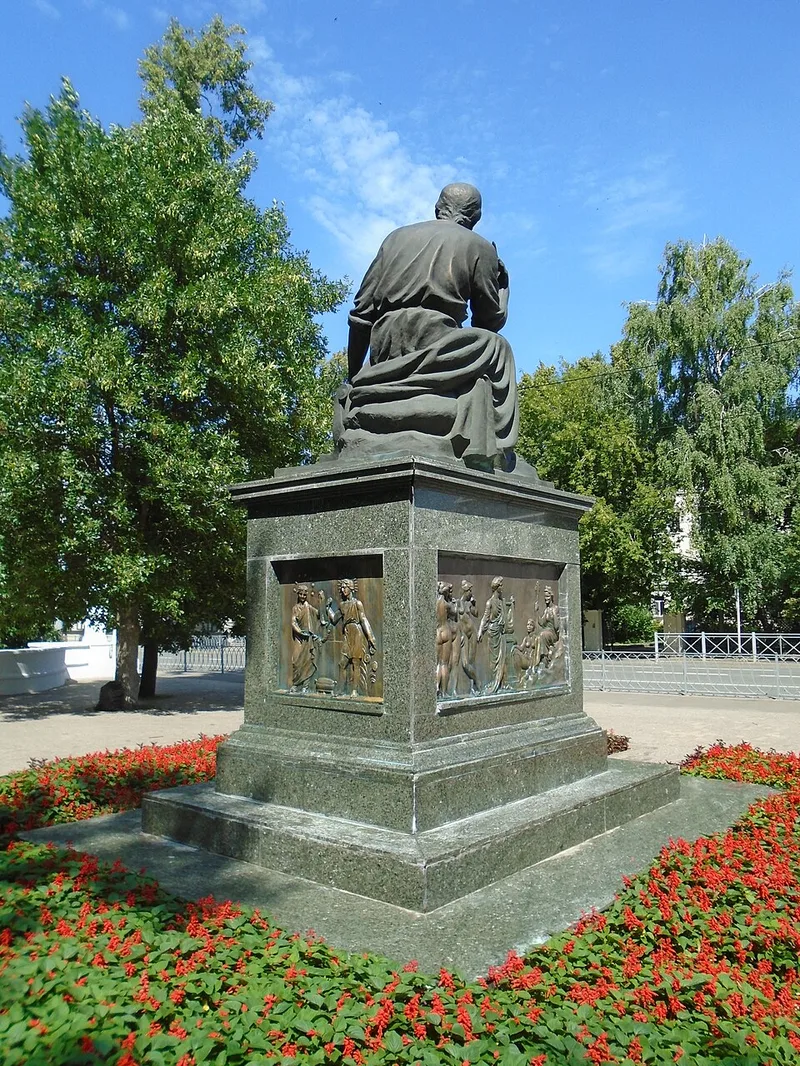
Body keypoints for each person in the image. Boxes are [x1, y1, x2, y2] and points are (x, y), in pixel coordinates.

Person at [333, 183, 531, 474]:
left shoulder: (394, 238)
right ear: (474, 218)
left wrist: (354, 378)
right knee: (498, 347)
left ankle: (384, 386)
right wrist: (503, 289)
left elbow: (361, 316)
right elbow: (488, 322)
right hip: (437, 340)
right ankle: (498, 450)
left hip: (385, 344)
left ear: (438, 208)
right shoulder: (479, 247)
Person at [326, 579, 377, 697]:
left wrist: (370, 637)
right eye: (342, 588)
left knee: (356, 663)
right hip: (347, 634)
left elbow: (363, 620)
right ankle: (341, 689)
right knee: (342, 663)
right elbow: (334, 619)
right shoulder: (342, 605)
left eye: (345, 587)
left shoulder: (357, 604)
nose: (343, 590)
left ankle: (354, 690)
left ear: (351, 588)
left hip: (356, 633)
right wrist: (328, 608)